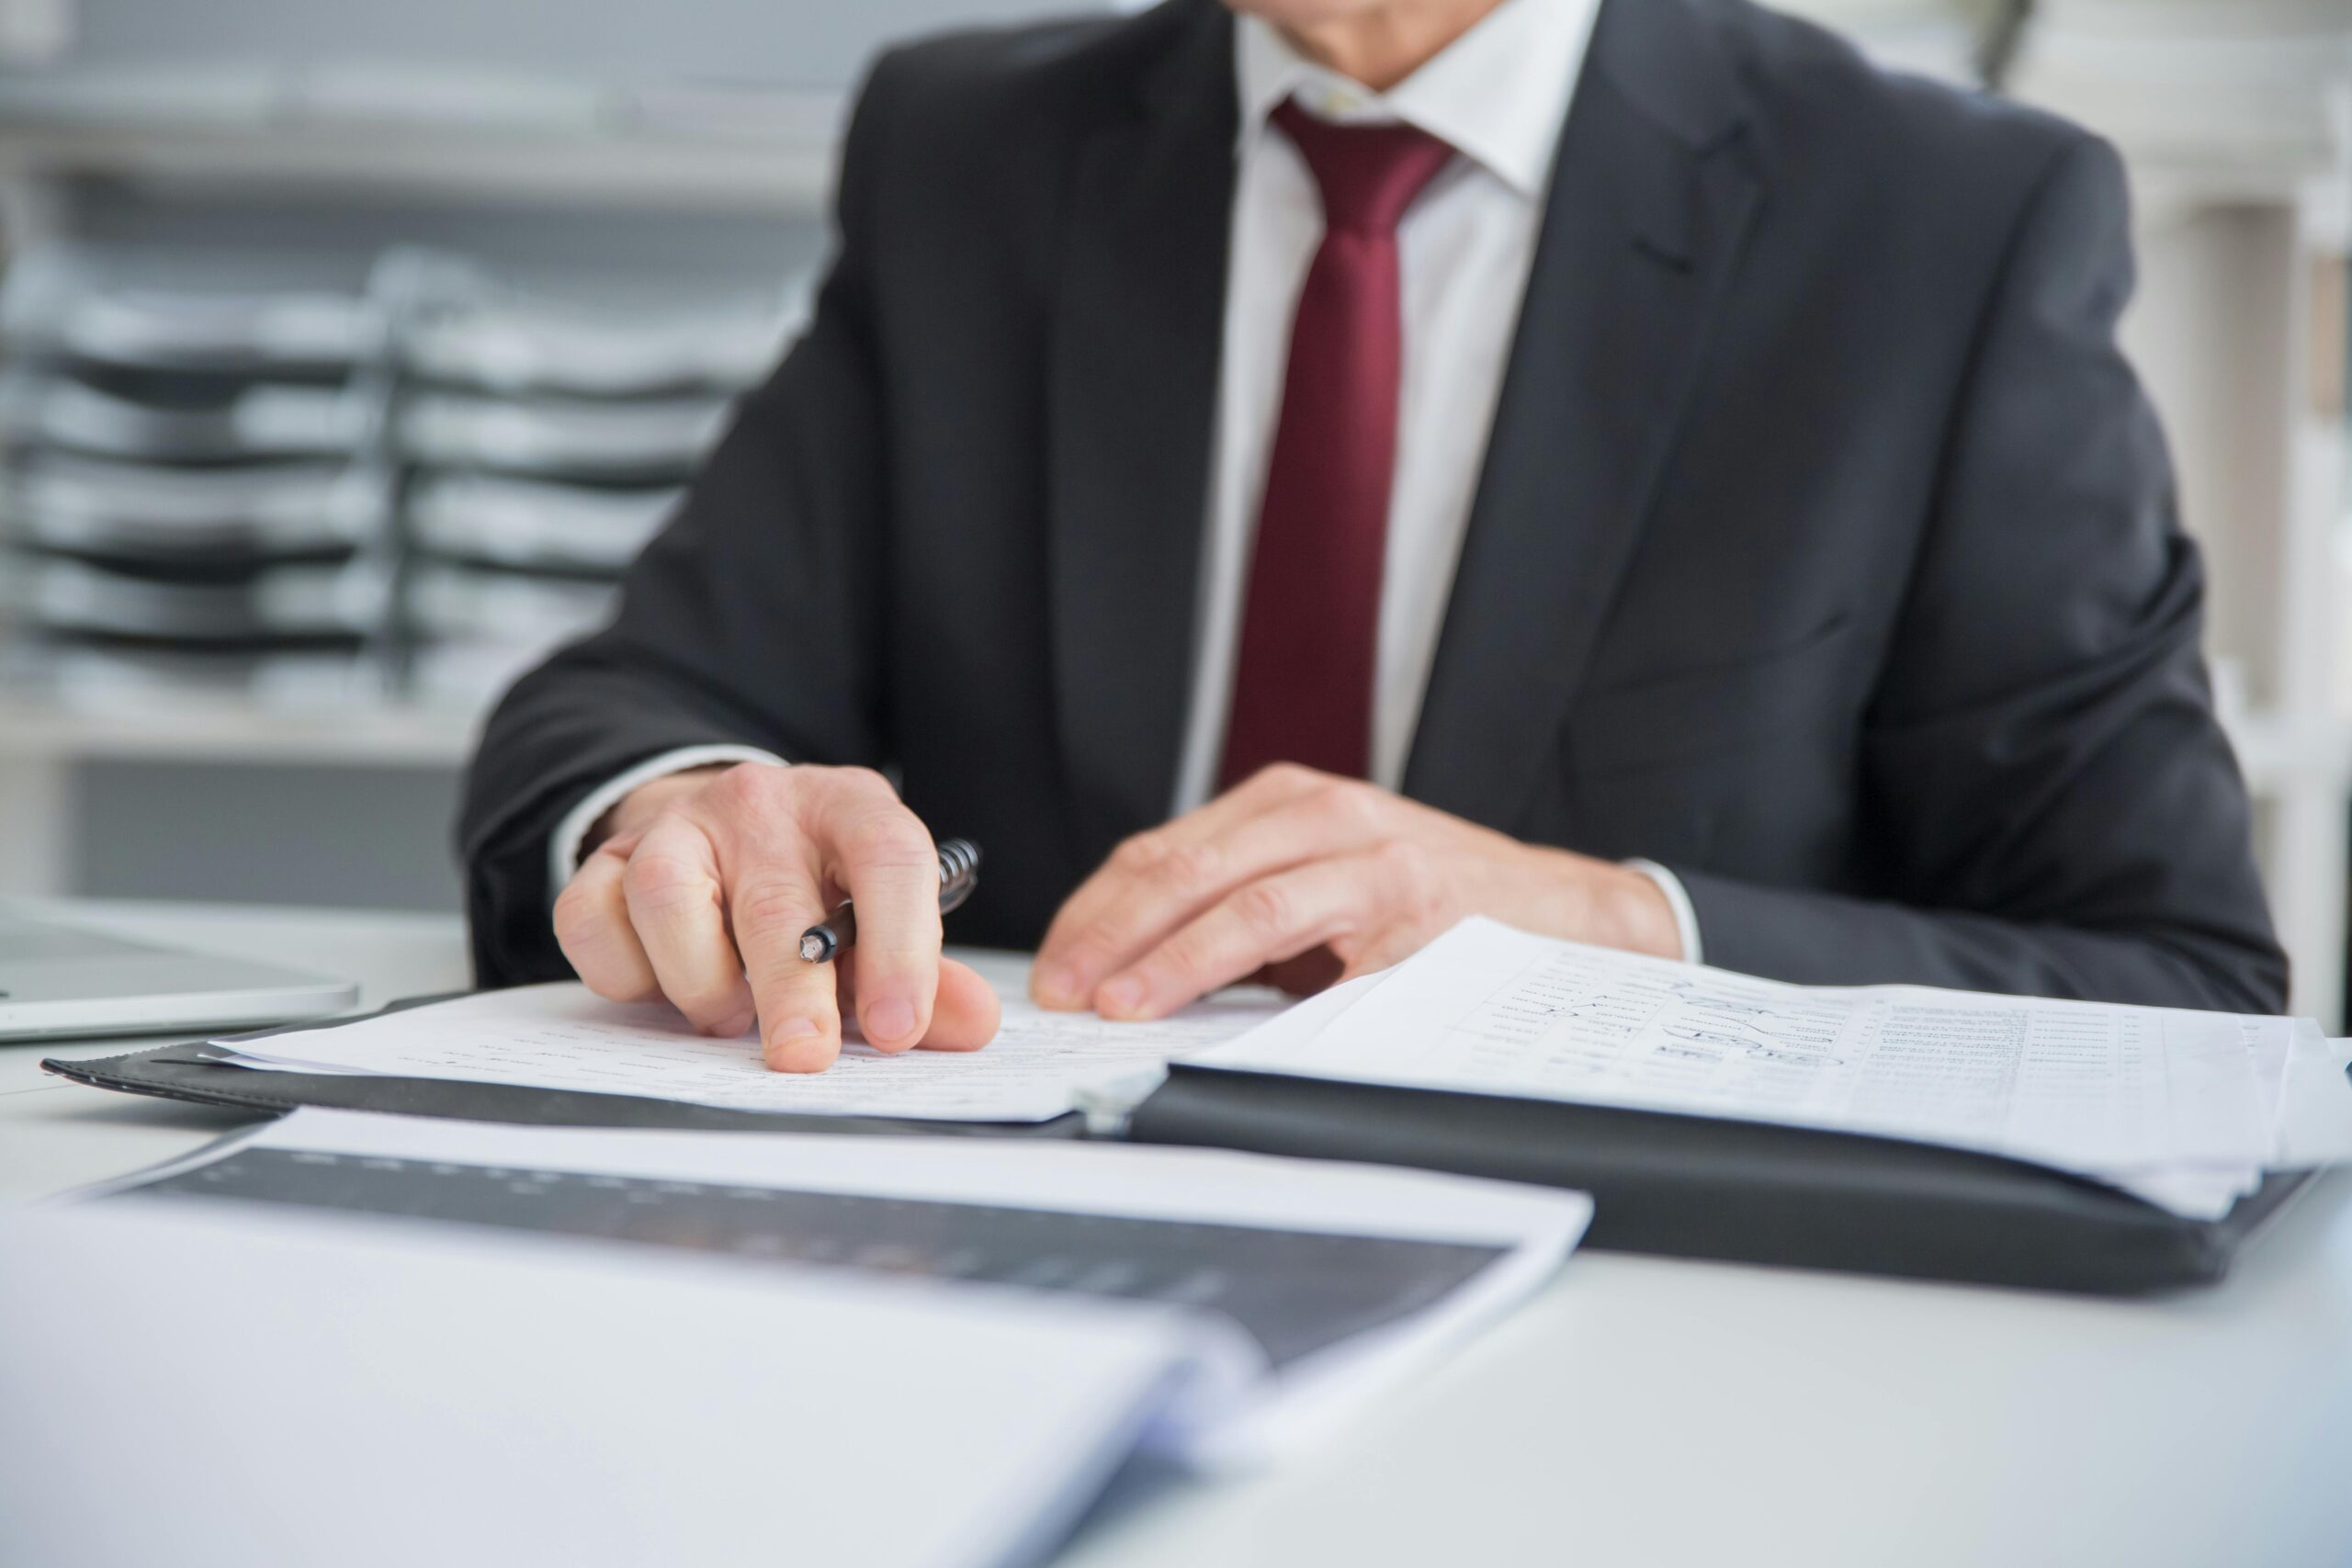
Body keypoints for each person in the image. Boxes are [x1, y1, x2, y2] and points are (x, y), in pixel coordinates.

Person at [459, 0, 2287, 1074]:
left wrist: (1584, 923)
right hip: (1001, 1229)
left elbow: (2170, 979)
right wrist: (691, 808)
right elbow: (637, 689)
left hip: (1659, 1348)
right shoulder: (976, 150)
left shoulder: (1936, 221)